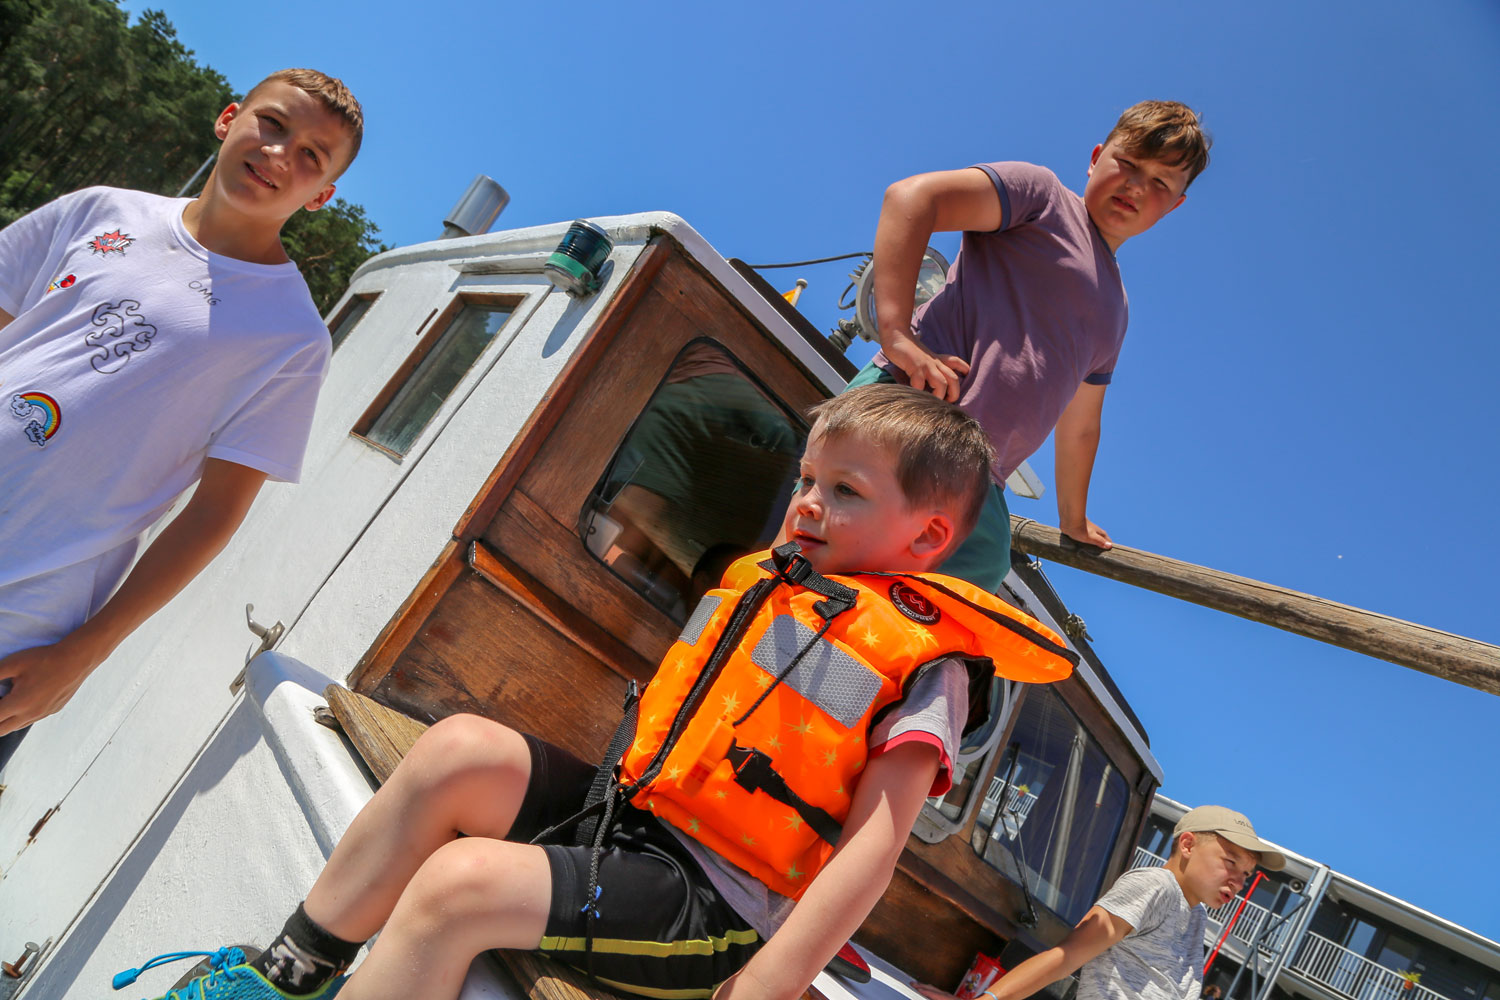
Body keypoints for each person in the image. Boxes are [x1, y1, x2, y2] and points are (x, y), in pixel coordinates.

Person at [123, 384, 1079, 1000]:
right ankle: (286, 978)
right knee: (457, 750)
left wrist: (773, 984)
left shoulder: (929, 667)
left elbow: (873, 850)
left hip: (712, 910)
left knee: (458, 887)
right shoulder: (774, 586)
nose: (807, 503)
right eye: (807, 479)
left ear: (927, 538)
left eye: (846, 491)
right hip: (627, 823)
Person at [0, 68, 363, 760]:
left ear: (321, 195)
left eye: (311, 155)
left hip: (21, 621)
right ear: (229, 119)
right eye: (272, 124)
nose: (279, 153)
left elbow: (212, 516)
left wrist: (85, 653)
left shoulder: (292, 339)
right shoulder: (100, 210)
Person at [848, 100, 1211, 591]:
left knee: (976, 576)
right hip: (908, 408)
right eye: (1127, 163)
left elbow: (1081, 424)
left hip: (977, 478)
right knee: (827, 543)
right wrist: (896, 334)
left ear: (1175, 205)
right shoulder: (1042, 197)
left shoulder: (1116, 311)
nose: (1136, 186)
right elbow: (911, 198)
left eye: (1161, 183)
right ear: (1096, 157)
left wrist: (1073, 519)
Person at [913, 805, 1285, 1000]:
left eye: (1246, 874)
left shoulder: (1197, 915)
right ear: (1187, 845)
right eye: (1230, 862)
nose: (1238, 881)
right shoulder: (1154, 885)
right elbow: (1067, 956)